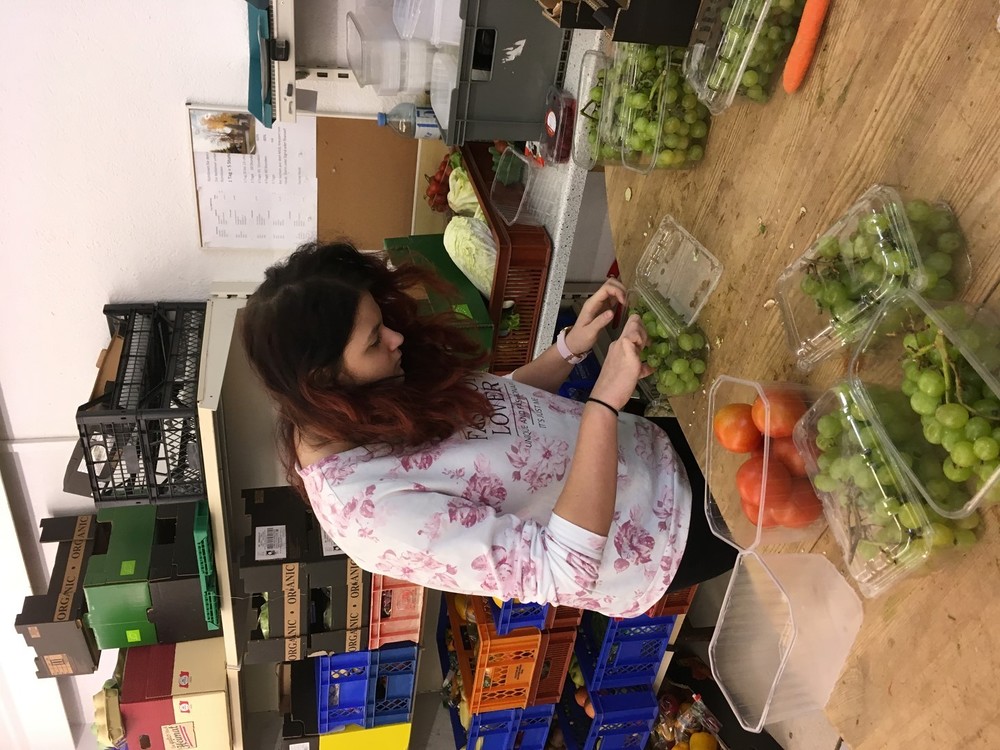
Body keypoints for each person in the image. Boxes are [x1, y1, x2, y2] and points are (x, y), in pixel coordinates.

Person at [241, 241, 736, 618]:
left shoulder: (360, 400)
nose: (395, 338)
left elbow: (492, 409)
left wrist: (569, 350)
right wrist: (603, 403)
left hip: (652, 447)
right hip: (667, 533)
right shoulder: (369, 517)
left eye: (382, 321)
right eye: (374, 341)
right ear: (323, 382)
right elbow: (562, 569)